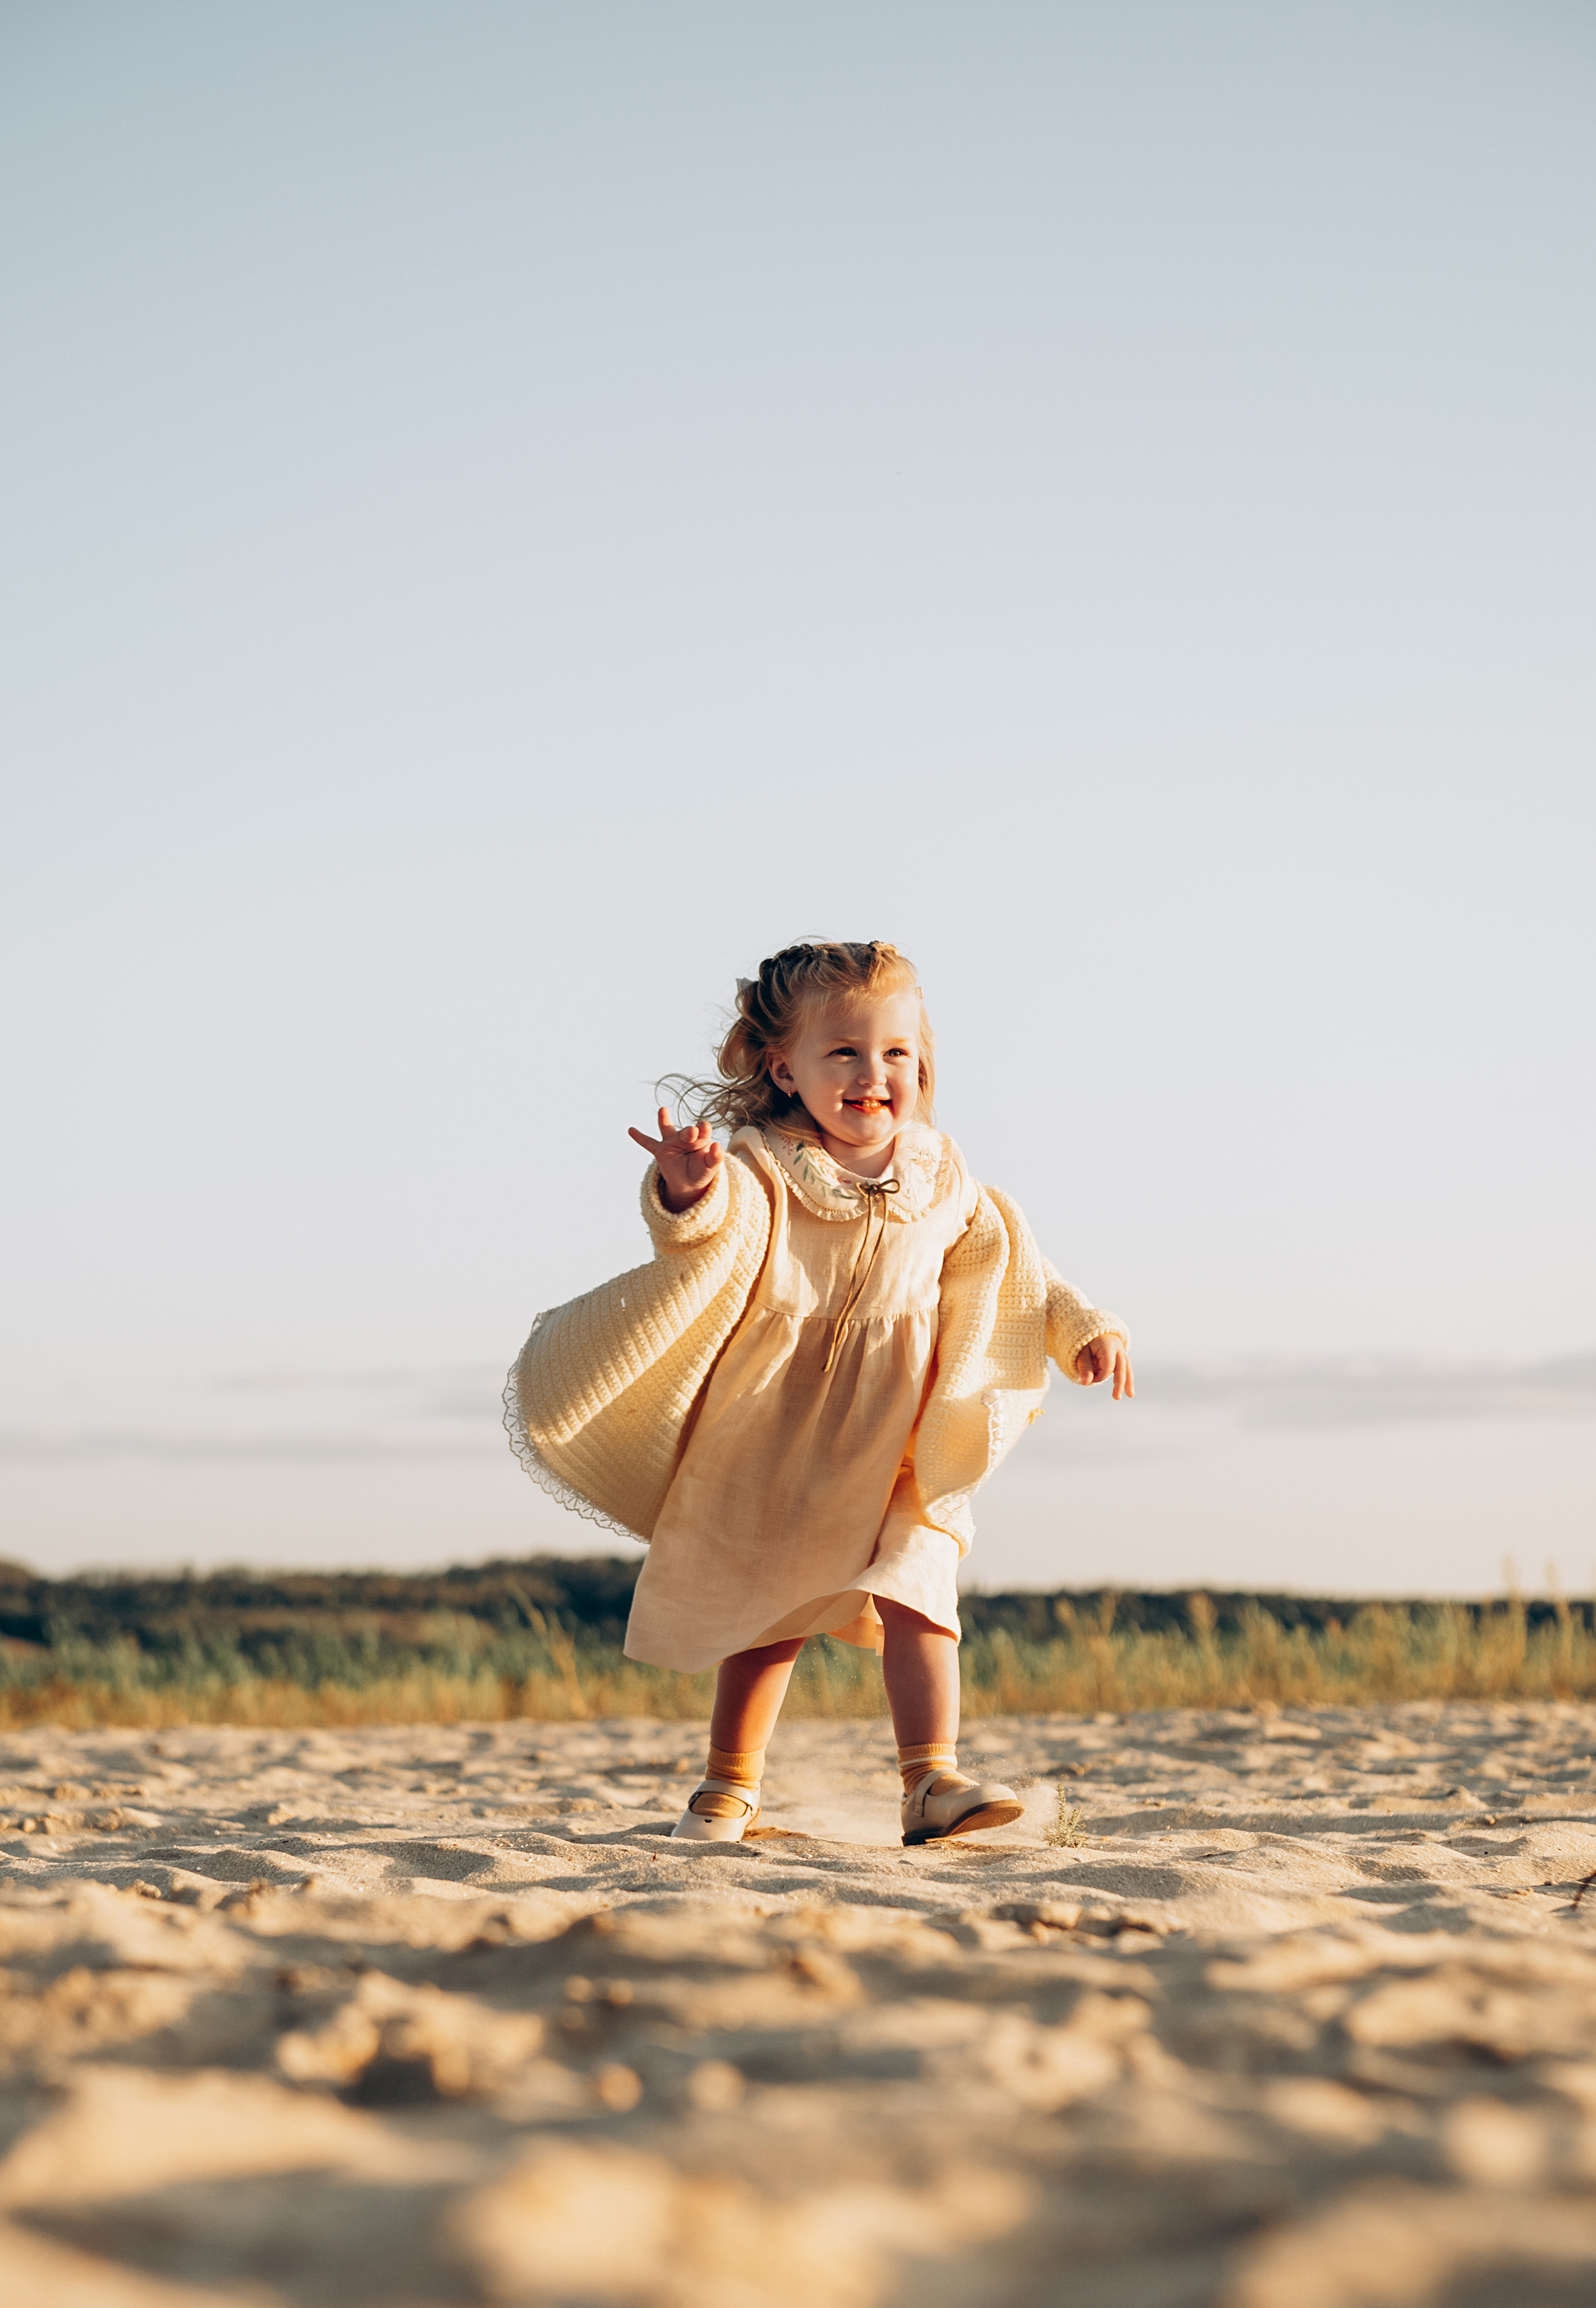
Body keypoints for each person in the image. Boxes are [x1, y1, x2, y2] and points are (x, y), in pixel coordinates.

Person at [504, 940, 1132, 1847]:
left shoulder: (942, 1174)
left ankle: (930, 1780)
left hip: (909, 1435)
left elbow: (1015, 1262)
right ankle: (729, 1784)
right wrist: (688, 1189)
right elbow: (713, 1230)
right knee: (771, 1609)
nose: (873, 1074)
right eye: (843, 1052)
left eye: (896, 1053)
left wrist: (1082, 1327)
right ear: (783, 1068)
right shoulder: (764, 1166)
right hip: (785, 1424)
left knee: (922, 1589)